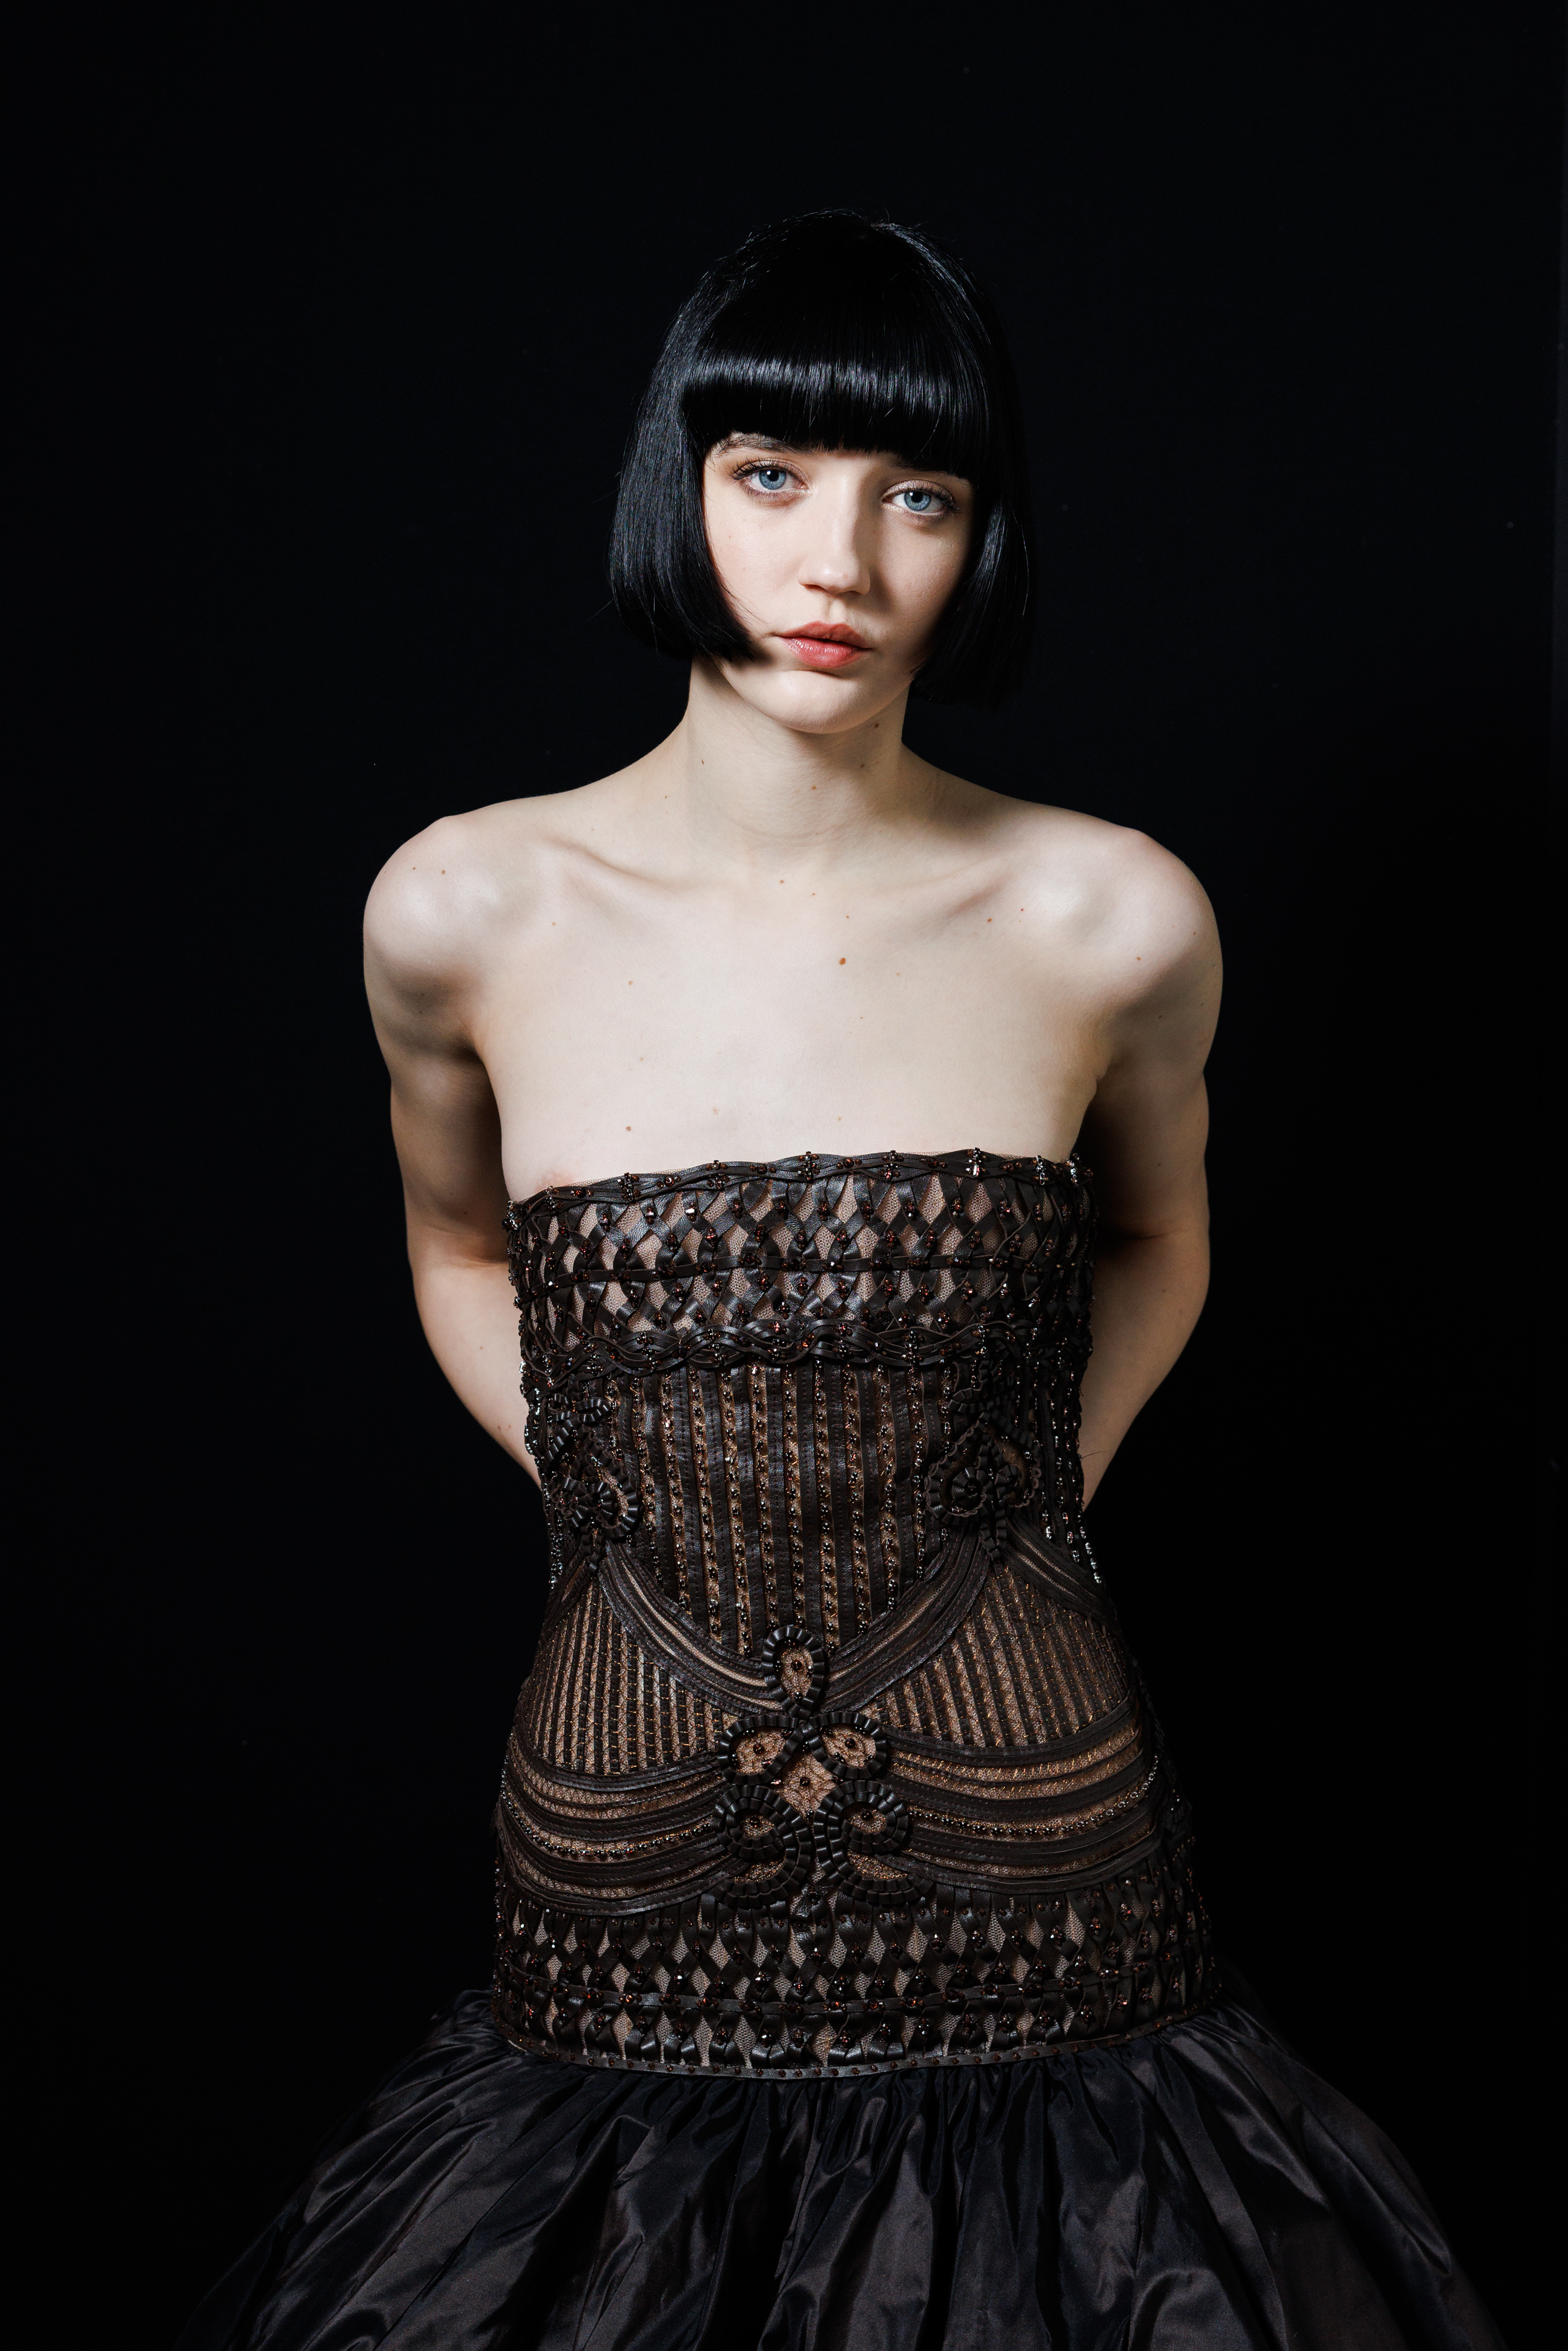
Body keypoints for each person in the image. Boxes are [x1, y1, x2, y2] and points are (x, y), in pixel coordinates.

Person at [179, 211, 1502, 2351]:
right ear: (673, 486)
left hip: (1035, 1847)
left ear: (978, 535)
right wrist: (608, 1482)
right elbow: (449, 1236)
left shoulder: (1109, 917)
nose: (844, 565)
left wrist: (1023, 1489)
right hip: (620, 1835)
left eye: (921, 496)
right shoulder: (464, 905)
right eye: (771, 475)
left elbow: (1162, 1233)